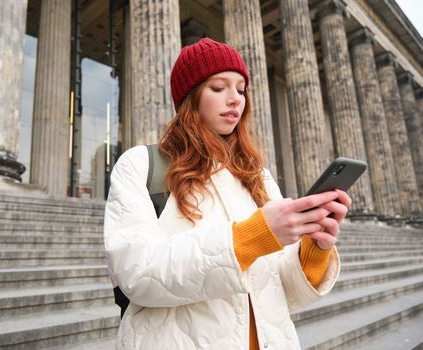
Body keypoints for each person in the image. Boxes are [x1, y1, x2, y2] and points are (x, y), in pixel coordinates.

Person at [104, 38, 350, 349]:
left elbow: (283, 291)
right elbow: (138, 276)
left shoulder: (257, 176)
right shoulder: (141, 164)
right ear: (190, 98)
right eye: (218, 88)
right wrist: (252, 236)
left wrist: (315, 248)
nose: (234, 99)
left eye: (241, 89)